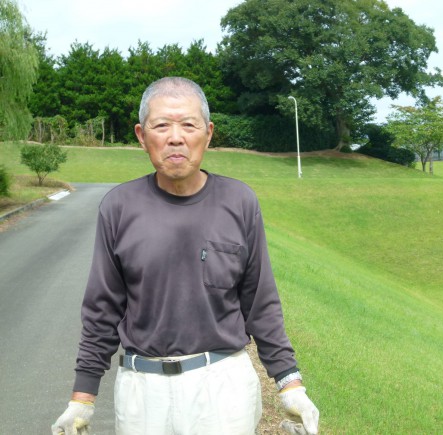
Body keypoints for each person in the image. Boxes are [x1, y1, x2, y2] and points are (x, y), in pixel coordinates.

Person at [52, 77, 319, 435]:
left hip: (223, 388)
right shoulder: (118, 207)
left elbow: (260, 302)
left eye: (188, 125)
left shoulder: (239, 202)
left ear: (207, 134)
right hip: (141, 393)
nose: (175, 137)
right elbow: (102, 309)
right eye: (161, 125)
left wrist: (290, 385)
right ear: (141, 136)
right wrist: (81, 399)